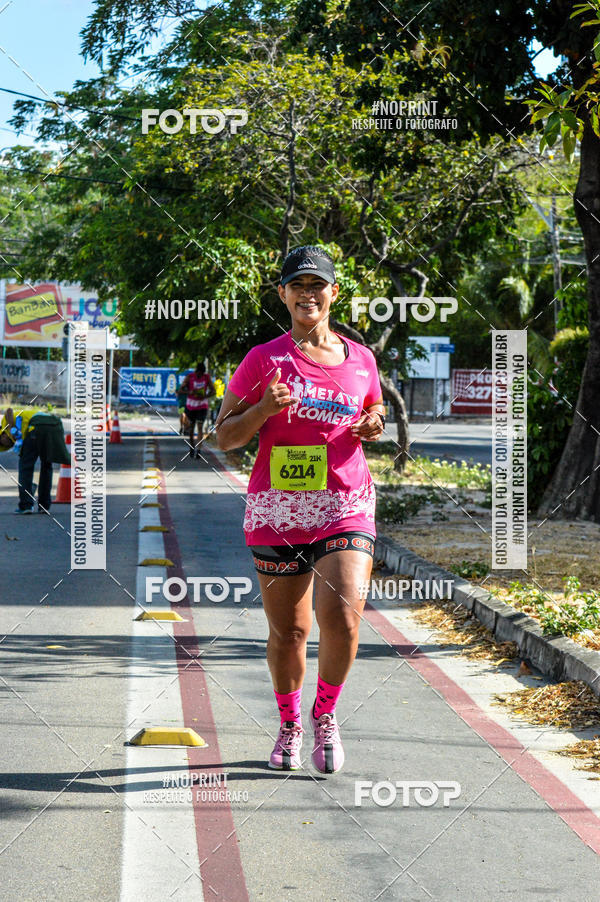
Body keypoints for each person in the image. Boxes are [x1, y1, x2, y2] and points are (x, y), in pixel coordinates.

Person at [215, 245, 385, 774]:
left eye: (319, 285)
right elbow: (224, 438)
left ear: (335, 293)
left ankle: (325, 714)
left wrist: (375, 420)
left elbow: (372, 403)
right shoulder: (263, 360)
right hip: (279, 510)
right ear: (283, 295)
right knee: (290, 632)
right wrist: (263, 409)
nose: (308, 294)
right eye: (298, 285)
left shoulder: (362, 358)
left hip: (345, 502)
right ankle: (289, 725)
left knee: (345, 616)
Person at [0, 407, 71, 514]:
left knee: (25, 468)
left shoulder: (6, 424)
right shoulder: (19, 436)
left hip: (36, 427)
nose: (7, 444)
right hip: (53, 426)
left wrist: (11, 429)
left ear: (2, 433)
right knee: (47, 466)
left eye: (2, 442)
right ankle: (44, 506)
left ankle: (26, 505)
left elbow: (9, 410)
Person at [180, 362, 215, 456]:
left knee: (200, 427)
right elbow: (181, 389)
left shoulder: (206, 377)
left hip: (202, 405)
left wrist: (205, 395)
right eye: (199, 374)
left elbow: (213, 391)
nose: (200, 376)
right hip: (191, 406)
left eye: (202, 374)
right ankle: (192, 447)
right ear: (196, 371)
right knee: (191, 428)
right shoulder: (189, 377)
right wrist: (190, 392)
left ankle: (199, 450)